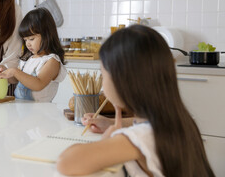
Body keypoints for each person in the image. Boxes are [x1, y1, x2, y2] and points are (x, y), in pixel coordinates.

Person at [57, 25, 214, 177]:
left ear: (122, 82)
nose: (102, 83)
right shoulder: (179, 120)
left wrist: (106, 141)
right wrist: (110, 124)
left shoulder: (138, 138)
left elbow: (66, 162)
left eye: (103, 75)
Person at [0, 8, 67, 102]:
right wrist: (3, 73)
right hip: (21, 110)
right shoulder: (29, 59)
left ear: (47, 35)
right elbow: (16, 79)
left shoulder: (52, 61)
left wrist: (14, 71)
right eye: (25, 40)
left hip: (41, 113)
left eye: (31, 39)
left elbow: (39, 84)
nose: (27, 44)